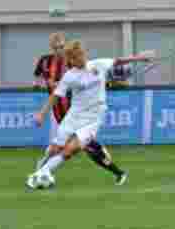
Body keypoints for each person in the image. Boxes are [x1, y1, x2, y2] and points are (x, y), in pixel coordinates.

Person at [27, 41, 154, 190]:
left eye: (81, 55)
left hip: (94, 118)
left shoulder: (98, 64)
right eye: (76, 57)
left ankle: (43, 173)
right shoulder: (69, 76)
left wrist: (140, 57)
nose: (80, 58)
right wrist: (42, 114)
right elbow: (55, 96)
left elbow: (118, 61)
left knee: (72, 149)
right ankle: (41, 171)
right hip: (74, 116)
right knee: (55, 149)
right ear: (71, 60)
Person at [33, 32, 128, 184]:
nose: (59, 50)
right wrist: (44, 85)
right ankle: (41, 171)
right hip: (64, 112)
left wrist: (111, 82)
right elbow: (39, 82)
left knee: (83, 146)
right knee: (61, 147)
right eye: (56, 48)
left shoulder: (79, 62)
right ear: (51, 48)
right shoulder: (45, 62)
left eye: (61, 46)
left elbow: (91, 79)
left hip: (80, 110)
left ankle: (118, 172)